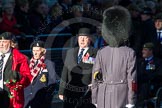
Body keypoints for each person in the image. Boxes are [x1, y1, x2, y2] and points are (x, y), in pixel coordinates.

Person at [91, 6, 137, 108]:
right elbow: (132, 79)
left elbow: (95, 77)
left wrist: (94, 98)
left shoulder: (101, 52)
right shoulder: (129, 52)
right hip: (122, 94)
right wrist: (131, 100)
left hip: (103, 93)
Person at [58, 28, 97, 108]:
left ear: (89, 39)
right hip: (70, 91)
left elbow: (98, 72)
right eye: (80, 37)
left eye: (85, 37)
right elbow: (65, 72)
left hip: (86, 92)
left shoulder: (96, 53)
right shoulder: (70, 52)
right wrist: (61, 91)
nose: (82, 40)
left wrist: (94, 85)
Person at [0, 32, 32, 108]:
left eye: (4, 42)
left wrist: (18, 76)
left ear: (11, 43)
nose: (1, 44)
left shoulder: (20, 58)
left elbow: (28, 78)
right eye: (0, 42)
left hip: (11, 95)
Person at [24, 40, 56, 108]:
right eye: (34, 50)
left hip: (41, 100)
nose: (35, 53)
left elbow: (52, 82)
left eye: (37, 50)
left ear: (43, 51)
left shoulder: (49, 64)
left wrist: (47, 97)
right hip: (27, 99)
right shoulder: (27, 63)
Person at [137, 42, 162, 107]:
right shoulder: (139, 62)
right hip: (139, 84)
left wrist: (147, 77)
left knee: (145, 86)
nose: (142, 51)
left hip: (151, 86)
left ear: (151, 51)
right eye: (142, 49)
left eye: (145, 50)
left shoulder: (157, 62)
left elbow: (158, 75)